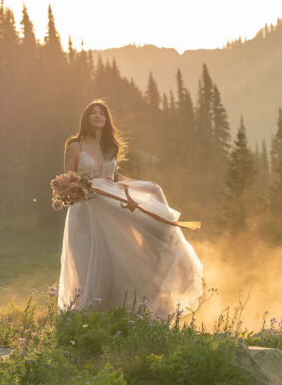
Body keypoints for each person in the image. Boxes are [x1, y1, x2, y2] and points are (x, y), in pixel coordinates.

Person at [57, 100, 204, 314]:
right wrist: (67, 191)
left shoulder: (108, 148)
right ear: (86, 118)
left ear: (107, 120)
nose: (98, 116)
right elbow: (68, 177)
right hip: (87, 210)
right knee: (89, 261)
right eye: (93, 113)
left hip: (110, 205)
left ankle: (161, 241)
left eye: (102, 113)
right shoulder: (75, 146)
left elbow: (114, 177)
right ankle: (87, 315)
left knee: (153, 192)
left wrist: (142, 185)